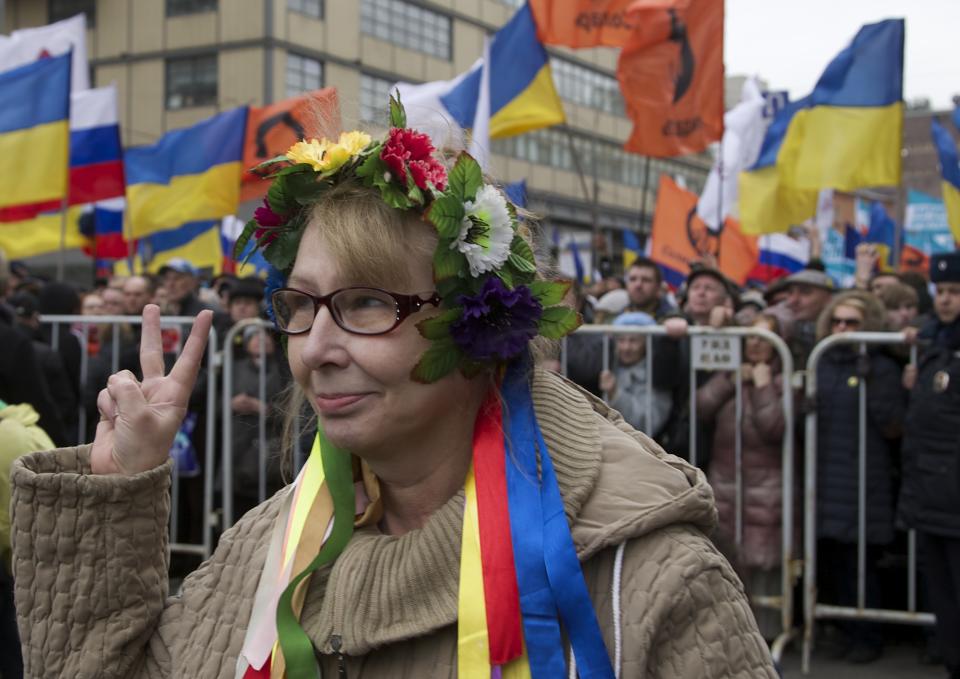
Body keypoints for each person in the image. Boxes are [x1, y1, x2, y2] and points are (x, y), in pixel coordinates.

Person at [11, 101, 776, 678]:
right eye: (301, 305)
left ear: (477, 328)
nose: (315, 348)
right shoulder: (267, 546)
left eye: (368, 303)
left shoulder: (649, 580)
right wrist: (115, 493)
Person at [813, 290, 904, 664]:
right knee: (834, 559)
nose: (842, 329)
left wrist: (876, 385)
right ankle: (845, 629)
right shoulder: (823, 362)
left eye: (851, 322)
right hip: (827, 478)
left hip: (863, 478)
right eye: (837, 321)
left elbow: (893, 425)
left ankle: (868, 634)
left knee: (860, 561)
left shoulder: (882, 367)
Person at [696, 312, 791, 640]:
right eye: (750, 336)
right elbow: (701, 407)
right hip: (725, 480)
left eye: (765, 338)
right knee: (727, 553)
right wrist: (729, 380)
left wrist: (763, 386)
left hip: (766, 486)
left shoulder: (783, 380)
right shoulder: (732, 374)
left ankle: (766, 636)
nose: (755, 343)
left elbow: (775, 427)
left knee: (762, 559)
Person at [898, 252, 960, 679]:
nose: (946, 300)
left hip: (953, 490)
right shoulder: (931, 341)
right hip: (931, 489)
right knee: (943, 593)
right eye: (942, 291)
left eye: (956, 292)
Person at [598, 312, 672, 436]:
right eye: (621, 340)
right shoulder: (608, 364)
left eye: (633, 341)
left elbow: (649, 423)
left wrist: (615, 393)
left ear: (646, 344)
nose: (626, 347)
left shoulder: (657, 373)